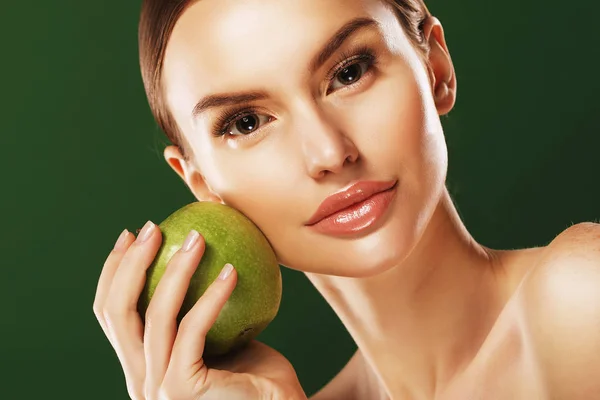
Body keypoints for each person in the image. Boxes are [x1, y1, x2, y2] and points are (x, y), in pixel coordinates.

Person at [92, 0, 600, 399]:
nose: (329, 153)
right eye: (247, 123)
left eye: (350, 72)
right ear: (200, 186)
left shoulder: (581, 299)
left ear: (435, 67)